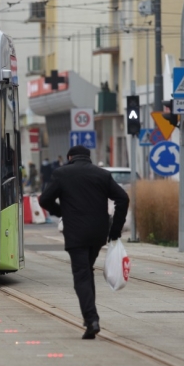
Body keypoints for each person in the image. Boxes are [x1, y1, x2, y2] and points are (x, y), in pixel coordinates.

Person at [39, 145, 129, 340]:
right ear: (89, 157)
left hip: (76, 234)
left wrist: (61, 212)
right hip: (98, 233)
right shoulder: (101, 174)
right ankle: (91, 319)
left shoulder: (61, 173)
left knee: (81, 275)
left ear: (70, 157)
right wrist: (115, 229)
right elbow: (123, 198)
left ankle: (91, 320)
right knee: (87, 271)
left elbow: (44, 199)